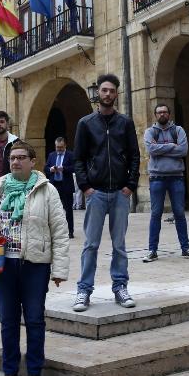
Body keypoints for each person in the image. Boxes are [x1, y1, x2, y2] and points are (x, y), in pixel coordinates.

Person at [0, 140, 69, 376]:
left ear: (32, 161)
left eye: (21, 157)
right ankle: (10, 375)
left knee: (35, 319)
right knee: (8, 321)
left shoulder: (46, 191)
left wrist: (59, 268)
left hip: (34, 264)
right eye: (12, 158)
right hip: (2, 264)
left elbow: (59, 231)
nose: (15, 162)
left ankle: (35, 374)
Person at [72, 73, 140, 311]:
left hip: (120, 194)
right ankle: (83, 290)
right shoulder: (85, 124)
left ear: (116, 94)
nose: (108, 94)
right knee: (90, 244)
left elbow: (134, 155)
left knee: (119, 244)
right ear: (98, 94)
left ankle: (120, 287)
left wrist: (130, 185)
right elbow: (78, 159)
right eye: (104, 90)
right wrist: (86, 187)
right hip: (96, 193)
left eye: (112, 90)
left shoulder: (125, 123)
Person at [142, 103, 189, 262]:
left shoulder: (178, 130)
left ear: (169, 114)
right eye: (159, 112)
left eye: (165, 112)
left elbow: (183, 150)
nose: (162, 114)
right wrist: (171, 146)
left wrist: (160, 148)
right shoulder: (149, 131)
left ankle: (185, 248)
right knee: (155, 214)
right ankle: (152, 250)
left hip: (176, 177)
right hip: (157, 178)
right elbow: (150, 150)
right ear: (155, 115)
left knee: (179, 213)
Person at [44, 137, 76, 238]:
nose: (59, 149)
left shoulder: (70, 155)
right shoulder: (51, 155)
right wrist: (50, 169)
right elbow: (46, 168)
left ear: (65, 146)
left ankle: (70, 231)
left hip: (66, 185)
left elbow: (75, 167)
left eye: (61, 147)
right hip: (54, 186)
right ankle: (54, 231)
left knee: (68, 210)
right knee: (53, 210)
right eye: (57, 147)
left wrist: (64, 169)